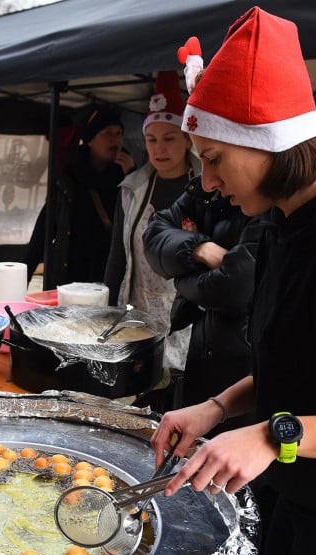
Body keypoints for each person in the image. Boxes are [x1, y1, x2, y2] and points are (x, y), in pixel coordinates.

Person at [151, 8, 316, 555]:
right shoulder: (278, 225)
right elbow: (291, 365)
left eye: (213, 158)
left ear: (270, 143)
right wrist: (216, 406)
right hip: (291, 501)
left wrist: (268, 436)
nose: (206, 182)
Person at [142, 175, 263, 435]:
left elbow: (233, 288)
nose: (207, 179)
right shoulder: (206, 190)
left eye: (215, 157)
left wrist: (181, 276)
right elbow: (153, 234)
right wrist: (200, 247)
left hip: (246, 361)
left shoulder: (269, 206)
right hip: (203, 346)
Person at [104, 70, 201, 374]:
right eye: (151, 139)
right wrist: (106, 315)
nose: (159, 148)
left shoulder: (208, 188)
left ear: (187, 140)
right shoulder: (131, 190)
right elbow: (117, 257)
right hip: (138, 316)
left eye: (169, 138)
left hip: (191, 318)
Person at [23, 105, 134, 284]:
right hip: (69, 277)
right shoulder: (69, 179)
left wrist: (131, 176)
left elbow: (137, 225)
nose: (116, 139)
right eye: (107, 133)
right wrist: (22, 277)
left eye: (119, 132)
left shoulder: (128, 178)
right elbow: (43, 232)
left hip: (108, 279)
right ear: (90, 140)